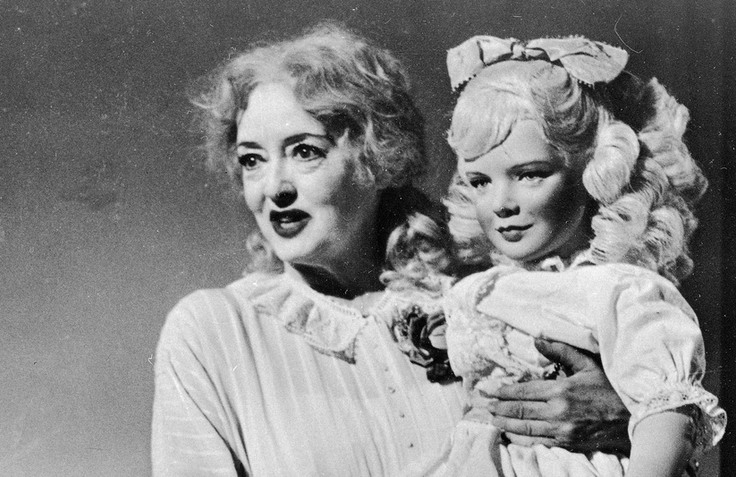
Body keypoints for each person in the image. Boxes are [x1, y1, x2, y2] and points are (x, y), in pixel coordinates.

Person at [152, 25, 631, 476]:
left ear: (377, 155)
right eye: (252, 160)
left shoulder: (485, 299)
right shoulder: (214, 331)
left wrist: (624, 416)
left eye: (304, 151)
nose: (274, 187)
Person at [397, 35, 726, 476]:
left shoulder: (621, 290)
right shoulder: (486, 287)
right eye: (480, 181)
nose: (501, 203)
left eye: (530, 175)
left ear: (595, 171)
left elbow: (669, 412)